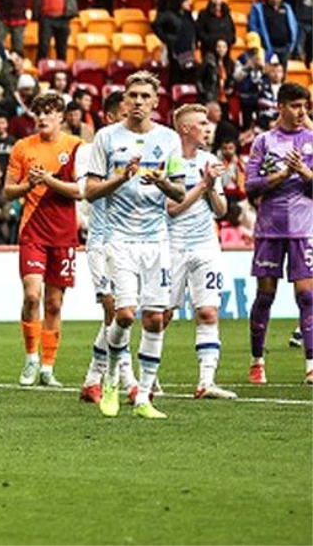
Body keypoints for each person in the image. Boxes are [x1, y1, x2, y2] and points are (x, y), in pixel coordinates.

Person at [84, 72, 186, 419]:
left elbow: (179, 192)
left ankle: (143, 397)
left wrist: (161, 182)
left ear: (156, 102)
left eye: (145, 96)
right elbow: (90, 191)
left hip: (156, 241)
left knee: (155, 319)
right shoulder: (106, 138)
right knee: (125, 315)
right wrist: (120, 178)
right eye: (133, 95)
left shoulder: (169, 140)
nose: (139, 101)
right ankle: (111, 379)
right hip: (119, 240)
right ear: (124, 100)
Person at [3, 93, 83, 388]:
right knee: (32, 295)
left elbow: (80, 191)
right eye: (38, 113)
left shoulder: (76, 147)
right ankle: (30, 358)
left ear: (61, 116)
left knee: (54, 303)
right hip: (33, 231)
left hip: (64, 234)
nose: (42, 118)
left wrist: (48, 181)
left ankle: (48, 366)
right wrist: (29, 185)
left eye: (49, 112)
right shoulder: (23, 147)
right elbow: (7, 192)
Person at [162, 104, 237, 399]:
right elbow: (172, 209)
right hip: (173, 246)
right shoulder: (170, 161)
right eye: (202, 124)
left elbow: (221, 210)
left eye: (208, 123)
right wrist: (202, 185)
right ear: (185, 128)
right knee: (163, 314)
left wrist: (211, 186)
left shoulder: (209, 160)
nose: (208, 128)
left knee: (207, 311)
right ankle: (149, 378)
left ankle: (206, 381)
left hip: (206, 245)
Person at [243, 82, 313, 385]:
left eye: (305, 106)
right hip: (270, 229)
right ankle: (257, 361)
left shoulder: (312, 140)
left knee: (307, 296)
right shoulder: (263, 141)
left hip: (304, 228)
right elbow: (250, 185)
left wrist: (304, 173)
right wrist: (281, 175)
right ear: (281, 107)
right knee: (265, 295)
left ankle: (311, 365)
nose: (301, 112)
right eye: (295, 106)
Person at [79, 92, 137, 403]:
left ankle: (93, 379)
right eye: (127, 112)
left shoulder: (143, 146)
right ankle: (128, 382)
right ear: (113, 118)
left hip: (133, 240)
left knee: (125, 312)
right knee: (115, 309)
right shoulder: (91, 151)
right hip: (102, 239)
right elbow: (85, 193)